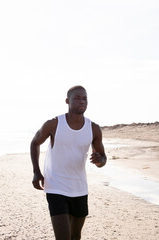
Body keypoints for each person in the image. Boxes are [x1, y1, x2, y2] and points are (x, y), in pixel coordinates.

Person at [30, 85, 107, 240]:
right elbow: (34, 143)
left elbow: (103, 159)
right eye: (77, 97)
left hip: (79, 188)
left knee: (75, 236)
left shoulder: (94, 129)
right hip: (56, 186)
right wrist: (36, 171)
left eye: (84, 98)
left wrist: (100, 160)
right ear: (67, 101)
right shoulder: (53, 124)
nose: (82, 101)